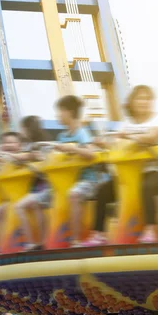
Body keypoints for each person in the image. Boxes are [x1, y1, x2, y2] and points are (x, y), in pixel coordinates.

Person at [92, 85, 158, 245]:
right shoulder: (125, 124)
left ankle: (150, 230)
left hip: (154, 171)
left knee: (145, 187)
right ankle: (98, 234)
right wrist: (102, 143)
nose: (143, 102)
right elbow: (115, 144)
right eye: (139, 98)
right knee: (102, 190)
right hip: (127, 175)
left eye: (147, 98)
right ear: (132, 102)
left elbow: (151, 137)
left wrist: (127, 136)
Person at [54, 95, 99, 246]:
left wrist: (73, 148)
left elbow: (91, 154)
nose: (58, 115)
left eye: (60, 111)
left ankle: (76, 239)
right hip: (66, 180)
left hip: (88, 180)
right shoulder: (62, 136)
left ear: (69, 112)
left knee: (74, 194)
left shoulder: (82, 132)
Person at [14, 116, 50, 249]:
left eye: (22, 128)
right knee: (35, 205)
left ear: (28, 128)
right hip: (36, 185)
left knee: (20, 206)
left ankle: (34, 242)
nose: (21, 130)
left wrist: (20, 157)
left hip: (45, 184)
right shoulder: (28, 145)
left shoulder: (39, 145)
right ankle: (38, 241)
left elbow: (28, 157)